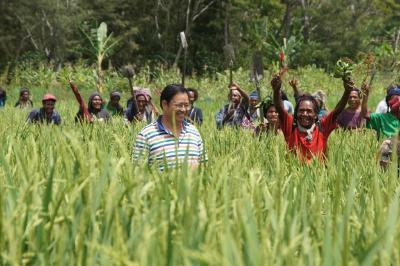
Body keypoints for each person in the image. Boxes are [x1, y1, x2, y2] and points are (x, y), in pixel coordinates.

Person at [272, 74, 353, 162]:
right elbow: (280, 109)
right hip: (295, 174)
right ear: (296, 112)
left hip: (319, 175)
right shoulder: (291, 126)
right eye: (301, 110)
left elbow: (337, 111)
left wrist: (347, 92)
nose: (305, 114)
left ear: (316, 115)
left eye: (309, 111)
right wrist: (276, 91)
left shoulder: (322, 127)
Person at [132, 84, 207, 170]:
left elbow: (204, 166)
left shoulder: (194, 132)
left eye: (186, 105)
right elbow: (137, 173)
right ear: (165, 104)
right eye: (179, 105)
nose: (183, 109)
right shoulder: (146, 135)